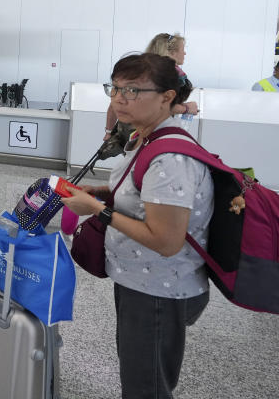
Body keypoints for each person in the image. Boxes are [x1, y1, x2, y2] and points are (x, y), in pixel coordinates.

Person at [62, 53, 212, 399]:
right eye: (114, 88)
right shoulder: (145, 138)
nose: (119, 99)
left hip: (158, 288)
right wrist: (100, 191)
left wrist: (96, 209)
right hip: (137, 279)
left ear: (167, 97)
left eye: (132, 90)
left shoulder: (171, 159)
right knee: (138, 371)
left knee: (146, 386)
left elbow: (166, 240)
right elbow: (140, 196)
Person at [104, 33, 198, 142]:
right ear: (172, 52)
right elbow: (155, 106)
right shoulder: (168, 75)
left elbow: (113, 107)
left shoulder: (138, 70)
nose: (185, 53)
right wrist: (186, 108)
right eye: (182, 49)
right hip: (149, 133)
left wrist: (109, 132)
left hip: (131, 133)